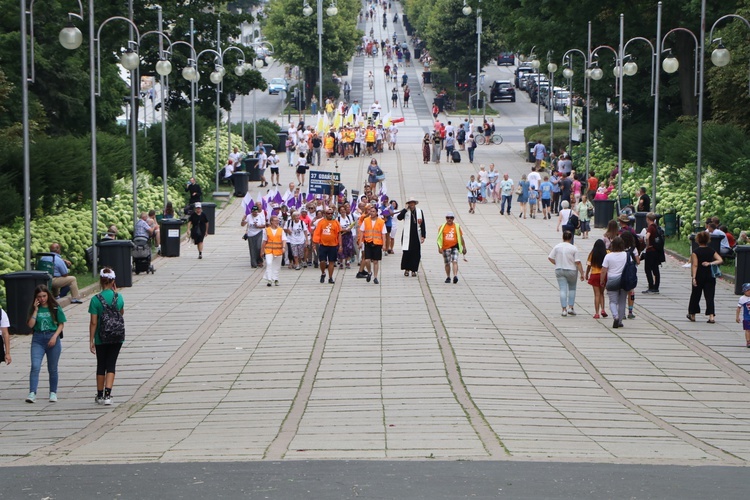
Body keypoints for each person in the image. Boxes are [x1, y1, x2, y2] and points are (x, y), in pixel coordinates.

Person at [89, 267, 124, 406]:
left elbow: (93, 322)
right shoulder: (119, 297)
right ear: (113, 281)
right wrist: (115, 294)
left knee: (101, 364)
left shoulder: (95, 299)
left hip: (101, 336)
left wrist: (91, 340)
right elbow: (121, 313)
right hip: (117, 335)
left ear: (101, 281)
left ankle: (99, 395)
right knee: (111, 364)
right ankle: (108, 394)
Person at [25, 284, 65, 403]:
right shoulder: (33, 308)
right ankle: (32, 392)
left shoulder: (55, 307)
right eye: (39, 297)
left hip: (52, 337)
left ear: (48, 295)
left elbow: (61, 324)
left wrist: (54, 336)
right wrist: (36, 310)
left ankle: (53, 392)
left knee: (52, 368)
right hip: (38, 338)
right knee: (35, 366)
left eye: (44, 296)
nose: (42, 299)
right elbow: (30, 325)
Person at [601, 236, 639, 329]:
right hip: (624, 280)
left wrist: (602, 280)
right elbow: (631, 267)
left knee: (612, 301)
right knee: (622, 302)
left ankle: (615, 316)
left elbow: (603, 270)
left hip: (612, 280)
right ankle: (620, 321)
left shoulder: (608, 256)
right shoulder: (627, 255)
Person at [688, 230, 723, 323]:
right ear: (708, 240)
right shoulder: (711, 251)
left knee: (695, 295)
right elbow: (720, 260)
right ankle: (711, 316)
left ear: (697, 240)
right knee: (709, 296)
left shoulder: (695, 252)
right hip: (710, 276)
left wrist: (694, 277)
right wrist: (710, 263)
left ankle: (693, 314)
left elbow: (695, 265)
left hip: (699, 275)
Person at [548, 231, 585, 317]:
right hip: (571, 270)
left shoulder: (557, 247)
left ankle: (563, 309)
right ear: (571, 238)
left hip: (559, 269)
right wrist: (582, 273)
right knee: (572, 289)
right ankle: (571, 307)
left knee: (562, 289)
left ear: (563, 237)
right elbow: (578, 262)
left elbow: (550, 257)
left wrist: (556, 263)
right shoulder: (573, 248)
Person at [398, 197, 426, 277]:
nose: (412, 204)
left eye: (413, 203)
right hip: (407, 235)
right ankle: (407, 269)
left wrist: (423, 235)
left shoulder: (419, 211)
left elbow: (423, 224)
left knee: (416, 253)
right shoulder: (406, 212)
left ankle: (414, 270)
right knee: (407, 252)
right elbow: (399, 217)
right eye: (410, 203)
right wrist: (404, 209)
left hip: (416, 235)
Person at [313, 207, 342, 284]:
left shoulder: (336, 223)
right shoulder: (321, 222)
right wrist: (315, 243)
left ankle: (330, 277)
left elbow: (339, 234)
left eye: (331, 213)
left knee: (331, 262)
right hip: (323, 245)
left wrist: (340, 246)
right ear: (325, 214)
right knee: (322, 261)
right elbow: (317, 233)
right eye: (328, 213)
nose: (330, 215)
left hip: (333, 245)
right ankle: (323, 273)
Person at [359, 205, 386, 284]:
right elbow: (362, 231)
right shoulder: (366, 220)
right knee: (367, 260)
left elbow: (383, 234)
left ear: (377, 212)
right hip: (368, 242)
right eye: (371, 211)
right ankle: (369, 272)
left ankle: (375, 277)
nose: (372, 213)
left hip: (377, 243)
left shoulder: (381, 222)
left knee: (375, 261)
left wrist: (384, 245)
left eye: (374, 211)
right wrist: (360, 242)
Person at [437, 212, 465, 284]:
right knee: (447, 263)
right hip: (445, 247)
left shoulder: (456, 226)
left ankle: (455, 276)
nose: (449, 219)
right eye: (448, 218)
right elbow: (439, 238)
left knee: (454, 261)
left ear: (453, 219)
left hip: (455, 246)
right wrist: (439, 247)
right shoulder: (442, 227)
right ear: (446, 218)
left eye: (451, 218)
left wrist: (464, 247)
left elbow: (461, 237)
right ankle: (448, 276)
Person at [585, 239, 609, 319]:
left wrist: (586, 274)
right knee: (602, 293)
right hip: (603, 275)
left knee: (596, 294)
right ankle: (603, 309)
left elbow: (588, 265)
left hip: (594, 275)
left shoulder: (592, 254)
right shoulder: (607, 253)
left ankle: (596, 313)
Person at [642, 212, 665, 294]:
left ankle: (651, 286)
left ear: (648, 219)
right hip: (656, 250)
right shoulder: (656, 227)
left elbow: (647, 237)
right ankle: (656, 287)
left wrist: (647, 245)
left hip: (650, 251)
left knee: (647, 269)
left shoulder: (650, 227)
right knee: (655, 269)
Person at [261, 216, 287, 287]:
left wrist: (284, 247)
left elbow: (284, 239)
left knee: (277, 265)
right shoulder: (266, 230)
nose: (277, 222)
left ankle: (276, 279)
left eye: (277, 221)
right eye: (275, 221)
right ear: (271, 222)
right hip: (269, 250)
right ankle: (269, 279)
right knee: (269, 263)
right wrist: (262, 251)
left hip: (278, 250)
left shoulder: (281, 230)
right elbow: (264, 241)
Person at [736, 283, 750, 348]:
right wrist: (737, 316)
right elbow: (739, 308)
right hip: (747, 317)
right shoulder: (742, 298)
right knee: (747, 329)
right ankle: (748, 341)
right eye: (748, 290)